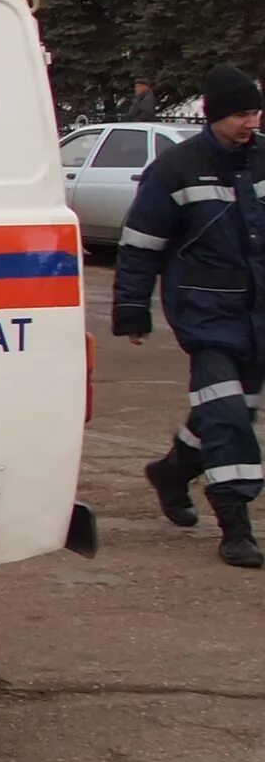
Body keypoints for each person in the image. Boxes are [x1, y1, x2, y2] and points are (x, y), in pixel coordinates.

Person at [119, 64, 265, 569]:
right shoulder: (176, 168)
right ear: (215, 115)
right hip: (205, 314)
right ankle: (236, 524)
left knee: (230, 408)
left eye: (255, 111)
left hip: (257, 316)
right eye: (242, 113)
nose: (252, 122)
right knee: (226, 414)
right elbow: (141, 244)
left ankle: (173, 472)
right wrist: (132, 308)